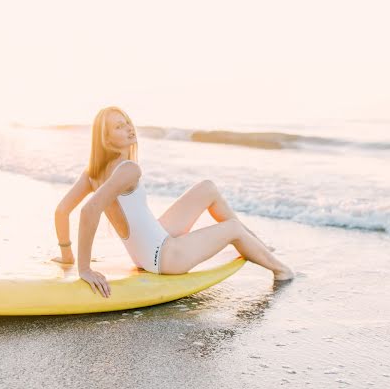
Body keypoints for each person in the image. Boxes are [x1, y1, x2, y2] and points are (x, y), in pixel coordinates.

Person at [52, 106, 294, 298]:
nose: (128, 128)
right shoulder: (128, 169)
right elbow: (89, 210)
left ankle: (256, 243)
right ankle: (281, 270)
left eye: (126, 121)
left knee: (207, 188)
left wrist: (67, 255)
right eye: (118, 126)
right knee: (233, 229)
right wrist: (84, 269)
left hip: (151, 246)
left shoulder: (92, 173)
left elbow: (61, 211)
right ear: (105, 139)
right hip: (164, 257)